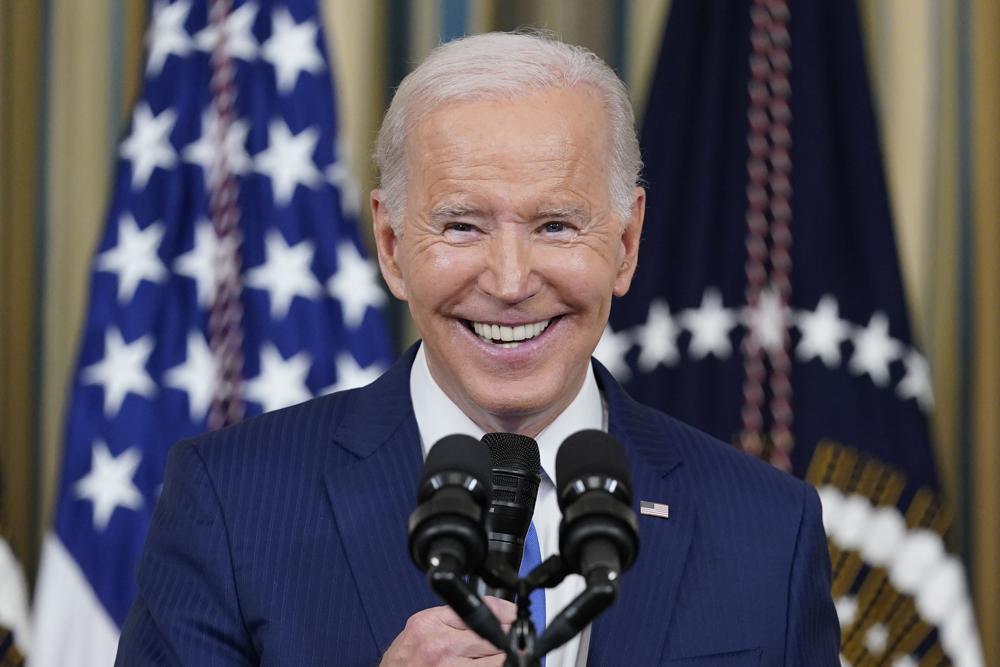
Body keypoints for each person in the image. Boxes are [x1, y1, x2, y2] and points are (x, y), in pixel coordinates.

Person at [116, 31, 839, 666]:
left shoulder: (768, 528)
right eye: (462, 226)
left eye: (556, 225)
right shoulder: (232, 501)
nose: (511, 281)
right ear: (392, 246)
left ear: (625, 243)